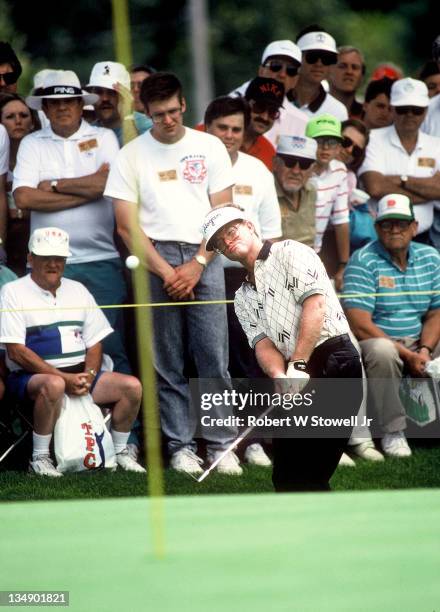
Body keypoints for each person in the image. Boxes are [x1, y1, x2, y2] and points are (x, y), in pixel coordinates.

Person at [105, 72, 242, 476]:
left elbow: (225, 213)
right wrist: (169, 271)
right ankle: (181, 446)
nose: (167, 120)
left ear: (184, 106)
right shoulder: (131, 154)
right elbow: (126, 227)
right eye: (158, 114)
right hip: (154, 258)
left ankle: (221, 444)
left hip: (207, 251)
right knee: (166, 361)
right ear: (146, 113)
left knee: (213, 357)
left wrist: (197, 264)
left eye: (173, 111)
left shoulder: (209, 145)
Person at [202, 204, 363, 492]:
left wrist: (298, 365)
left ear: (249, 225)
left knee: (312, 474)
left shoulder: (290, 251)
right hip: (293, 371)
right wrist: (280, 376)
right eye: (219, 241)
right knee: (286, 477)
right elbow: (262, 343)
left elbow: (316, 306)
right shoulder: (241, 297)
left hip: (333, 360)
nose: (227, 240)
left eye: (231, 230)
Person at [12, 70, 131, 375]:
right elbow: (24, 198)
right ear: (46, 108)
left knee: (111, 347)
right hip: (44, 262)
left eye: (70, 101)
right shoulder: (32, 143)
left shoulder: (103, 137)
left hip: (100, 260)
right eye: (54, 102)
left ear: (81, 105)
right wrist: (86, 191)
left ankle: (123, 425)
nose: (62, 107)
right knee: (48, 349)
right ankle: (61, 424)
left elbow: (108, 183)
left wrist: (51, 185)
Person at [0, 227, 146, 476]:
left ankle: (120, 451)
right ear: (30, 258)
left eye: (59, 259)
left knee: (131, 386)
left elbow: (96, 341)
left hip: (79, 375)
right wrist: (63, 378)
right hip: (29, 378)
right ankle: (40, 458)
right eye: (46, 258)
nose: (53, 264)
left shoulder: (77, 289)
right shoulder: (13, 291)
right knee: (54, 384)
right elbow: (16, 351)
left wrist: (88, 375)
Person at [204, 94, 281, 466]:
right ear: (207, 128)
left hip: (247, 276)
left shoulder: (257, 171)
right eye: (222, 128)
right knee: (212, 359)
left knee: (252, 357)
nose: (230, 135)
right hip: (203, 274)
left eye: (236, 129)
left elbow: (273, 234)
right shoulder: (195, 164)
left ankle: (252, 440)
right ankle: (213, 438)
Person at [343, 194, 440, 457]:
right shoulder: (363, 260)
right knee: (383, 350)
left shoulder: (431, 257)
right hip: (377, 339)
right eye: (387, 224)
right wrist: (408, 354)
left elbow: (436, 311)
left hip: (421, 339)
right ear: (377, 228)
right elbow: (360, 323)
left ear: (414, 226)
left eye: (401, 223)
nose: (395, 230)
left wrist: (425, 350)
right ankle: (393, 431)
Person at [359, 77, 440, 245]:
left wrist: (400, 180)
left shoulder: (436, 145)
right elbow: (374, 187)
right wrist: (428, 193)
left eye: (416, 110)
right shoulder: (373, 139)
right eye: (403, 109)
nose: (410, 114)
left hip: (425, 240)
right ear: (393, 109)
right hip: (379, 237)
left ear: (425, 111)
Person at [229, 39, 308, 146]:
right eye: (275, 66)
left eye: (291, 70)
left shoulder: (301, 122)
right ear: (261, 70)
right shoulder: (228, 105)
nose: (282, 74)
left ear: (296, 80)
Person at [305, 114, 350, 290]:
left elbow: (341, 220)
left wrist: (343, 265)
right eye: (318, 141)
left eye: (331, 142)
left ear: (339, 147)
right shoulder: (296, 169)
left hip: (315, 251)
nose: (324, 147)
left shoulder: (340, 170)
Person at [0, 94, 40, 275]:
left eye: (24, 116)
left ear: (32, 121)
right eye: (10, 117)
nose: (18, 121)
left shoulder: (42, 154)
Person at [86, 61, 152, 147]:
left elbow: (133, 157)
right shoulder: (86, 133)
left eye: (112, 92)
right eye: (99, 92)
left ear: (125, 95)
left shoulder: (148, 125)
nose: (105, 98)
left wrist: (127, 117)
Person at [290, 26, 348, 120]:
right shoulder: (277, 100)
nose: (319, 64)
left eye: (326, 59)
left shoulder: (338, 111)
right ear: (297, 58)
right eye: (312, 57)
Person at [272, 134, 317, 247]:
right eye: (289, 162)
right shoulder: (265, 191)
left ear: (312, 170)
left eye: (304, 164)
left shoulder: (311, 192)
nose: (296, 171)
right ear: (275, 164)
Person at [241, 77, 284, 171]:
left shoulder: (269, 153)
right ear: (244, 103)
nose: (264, 117)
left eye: (272, 112)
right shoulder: (208, 134)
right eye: (259, 107)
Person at [328, 46, 365, 119]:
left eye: (355, 67)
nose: (349, 72)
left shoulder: (367, 116)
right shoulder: (314, 109)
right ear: (329, 71)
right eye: (342, 66)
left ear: (362, 76)